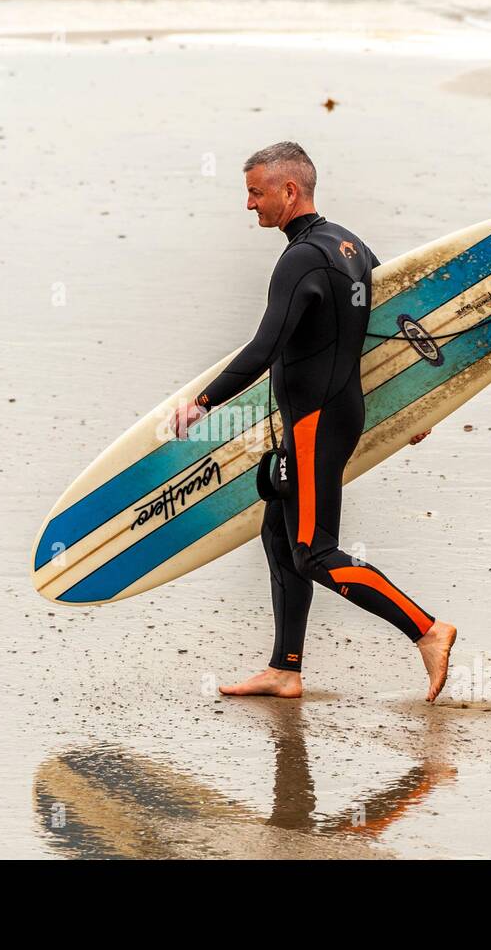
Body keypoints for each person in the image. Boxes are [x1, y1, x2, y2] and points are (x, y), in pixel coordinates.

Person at [170, 141, 456, 702]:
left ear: (289, 190)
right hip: (332, 413)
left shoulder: (301, 258)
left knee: (314, 551)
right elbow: (384, 336)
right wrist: (407, 409)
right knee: (279, 533)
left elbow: (265, 346)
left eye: (256, 192)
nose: (250, 205)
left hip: (313, 423)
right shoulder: (350, 247)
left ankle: (426, 630)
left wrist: (203, 402)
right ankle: (285, 668)